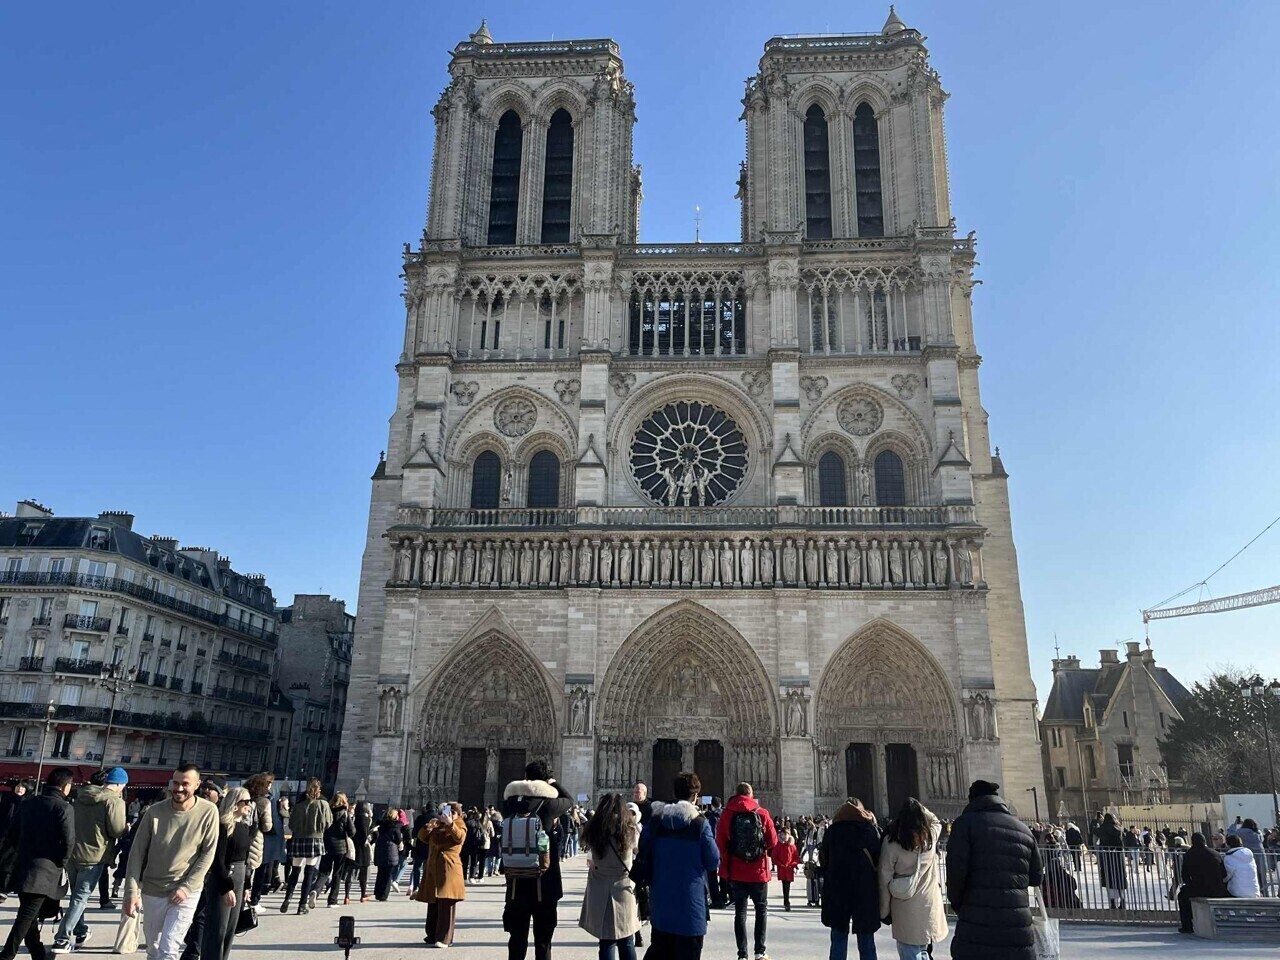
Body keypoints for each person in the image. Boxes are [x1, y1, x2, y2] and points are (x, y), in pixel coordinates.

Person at [122, 764, 220, 960]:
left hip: (185, 892)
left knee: (168, 949)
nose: (179, 788)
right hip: (153, 889)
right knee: (154, 949)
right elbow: (137, 853)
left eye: (185, 784)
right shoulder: (154, 812)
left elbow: (207, 854)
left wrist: (187, 887)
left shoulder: (208, 811)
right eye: (175, 783)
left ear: (197, 785)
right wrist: (131, 892)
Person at [944, 780, 1043, 960]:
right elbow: (1036, 878)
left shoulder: (964, 825)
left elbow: (956, 874)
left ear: (972, 800)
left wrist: (959, 904)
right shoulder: (1024, 829)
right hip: (1017, 925)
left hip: (977, 921)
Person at [631, 771, 719, 960]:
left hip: (661, 904)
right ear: (695, 796)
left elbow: (642, 848)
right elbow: (713, 861)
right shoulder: (700, 825)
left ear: (674, 792)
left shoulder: (656, 822)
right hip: (690, 908)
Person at [51, 765, 128, 953]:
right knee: (80, 898)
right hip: (95, 855)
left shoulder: (81, 796)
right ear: (120, 784)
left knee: (77, 897)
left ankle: (81, 931)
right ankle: (62, 939)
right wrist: (127, 828)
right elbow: (116, 830)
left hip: (73, 853)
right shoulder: (114, 801)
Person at [502, 762, 574, 960]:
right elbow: (569, 800)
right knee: (543, 942)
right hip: (544, 883)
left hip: (516, 883)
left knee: (517, 940)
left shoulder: (510, 804)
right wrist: (553, 783)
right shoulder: (548, 806)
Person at [0, 768, 74, 960]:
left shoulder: (28, 804)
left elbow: (12, 834)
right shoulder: (64, 808)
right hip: (46, 869)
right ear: (65, 786)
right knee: (26, 917)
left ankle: (38, 953)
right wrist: (61, 862)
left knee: (30, 915)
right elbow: (68, 841)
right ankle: (7, 955)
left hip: (23, 865)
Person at [715, 782, 779, 960]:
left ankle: (742, 954)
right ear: (751, 795)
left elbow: (720, 841)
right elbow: (773, 841)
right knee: (761, 910)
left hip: (737, 870)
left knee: (740, 913)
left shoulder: (727, 813)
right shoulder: (762, 813)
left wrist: (729, 856)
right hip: (758, 871)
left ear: (736, 794)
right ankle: (760, 951)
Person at [877, 798, 947, 960]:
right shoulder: (930, 837)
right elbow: (936, 821)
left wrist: (884, 910)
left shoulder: (892, 843)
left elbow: (884, 878)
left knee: (909, 950)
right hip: (928, 903)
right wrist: (920, 808)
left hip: (904, 905)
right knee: (923, 949)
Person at [200, 787, 261, 960]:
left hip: (240, 875)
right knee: (218, 927)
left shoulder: (243, 826)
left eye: (250, 802)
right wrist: (226, 887)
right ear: (235, 803)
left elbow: (245, 856)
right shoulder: (224, 826)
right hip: (225, 875)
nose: (249, 805)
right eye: (246, 802)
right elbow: (218, 859)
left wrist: (247, 884)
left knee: (231, 928)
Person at [578, 794, 641, 960]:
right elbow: (638, 851)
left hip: (600, 887)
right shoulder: (630, 830)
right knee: (627, 940)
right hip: (624, 886)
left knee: (606, 941)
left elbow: (589, 852)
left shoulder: (594, 829)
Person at [819, 797, 881, 960]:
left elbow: (823, 859)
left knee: (838, 937)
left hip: (838, 889)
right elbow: (878, 860)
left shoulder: (833, 831)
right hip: (864, 890)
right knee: (866, 939)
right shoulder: (869, 830)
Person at [414, 802, 466, 948]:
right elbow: (422, 838)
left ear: (458, 814)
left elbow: (460, 837)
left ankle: (444, 938)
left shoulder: (459, 824)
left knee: (446, 903)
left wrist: (451, 824)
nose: (449, 815)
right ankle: (431, 934)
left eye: (453, 813)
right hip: (433, 867)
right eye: (447, 812)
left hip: (449, 868)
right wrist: (428, 827)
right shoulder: (438, 824)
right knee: (433, 901)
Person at [281, 778, 332, 914]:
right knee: (309, 873)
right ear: (319, 789)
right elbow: (328, 823)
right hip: (315, 839)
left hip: (299, 839)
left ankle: (287, 899)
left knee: (295, 871)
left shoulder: (299, 805)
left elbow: (291, 824)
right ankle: (302, 905)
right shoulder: (323, 804)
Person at [1176, 832, 1228, 933]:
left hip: (1199, 888)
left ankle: (1187, 926)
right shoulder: (1215, 853)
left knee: (1182, 897)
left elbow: (1185, 876)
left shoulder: (1189, 855)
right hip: (1217, 889)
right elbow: (1224, 874)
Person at [244, 774, 278, 907]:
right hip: (255, 838)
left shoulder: (243, 797)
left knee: (242, 870)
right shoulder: (264, 802)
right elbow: (267, 826)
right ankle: (253, 900)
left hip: (239, 835)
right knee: (257, 869)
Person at [322, 793, 355, 907]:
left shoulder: (327, 811)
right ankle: (332, 900)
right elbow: (352, 832)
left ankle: (315, 891)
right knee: (337, 873)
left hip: (326, 844)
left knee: (324, 872)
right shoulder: (344, 813)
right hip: (340, 847)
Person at [373, 806, 406, 901]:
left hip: (380, 850)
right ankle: (383, 895)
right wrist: (401, 848)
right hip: (391, 851)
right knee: (388, 875)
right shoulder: (395, 827)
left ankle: (378, 893)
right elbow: (398, 840)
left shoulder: (381, 825)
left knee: (380, 873)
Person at [1095, 813, 1127, 909]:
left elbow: (1094, 833)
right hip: (1118, 857)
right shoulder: (1118, 828)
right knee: (1120, 880)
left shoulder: (1101, 829)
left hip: (1107, 857)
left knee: (1109, 880)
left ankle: (1112, 902)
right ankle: (1122, 901)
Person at [1236, 818, 1268, 895]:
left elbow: (1231, 833)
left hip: (1248, 855)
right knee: (1262, 876)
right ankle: (1265, 893)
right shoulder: (1258, 833)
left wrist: (1236, 824)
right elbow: (1262, 839)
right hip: (1260, 856)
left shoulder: (1240, 832)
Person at [352, 801, 375, 902]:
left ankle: (347, 896)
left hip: (354, 846)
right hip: (364, 848)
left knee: (350, 872)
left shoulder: (355, 818)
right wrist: (370, 840)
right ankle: (363, 894)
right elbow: (368, 834)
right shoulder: (366, 819)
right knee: (364, 873)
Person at [773, 829, 798, 912]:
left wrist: (793, 864)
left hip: (789, 869)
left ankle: (786, 901)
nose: (784, 836)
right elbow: (774, 857)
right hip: (782, 869)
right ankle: (786, 902)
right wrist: (779, 864)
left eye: (785, 834)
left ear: (789, 835)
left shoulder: (792, 846)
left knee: (787, 885)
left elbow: (796, 857)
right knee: (785, 885)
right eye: (782, 835)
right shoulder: (778, 845)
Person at [410, 808, 433, 893]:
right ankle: (425, 886)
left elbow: (414, 833)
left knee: (417, 867)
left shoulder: (420, 818)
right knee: (427, 868)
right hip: (431, 847)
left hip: (420, 846)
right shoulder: (438, 818)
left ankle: (415, 886)